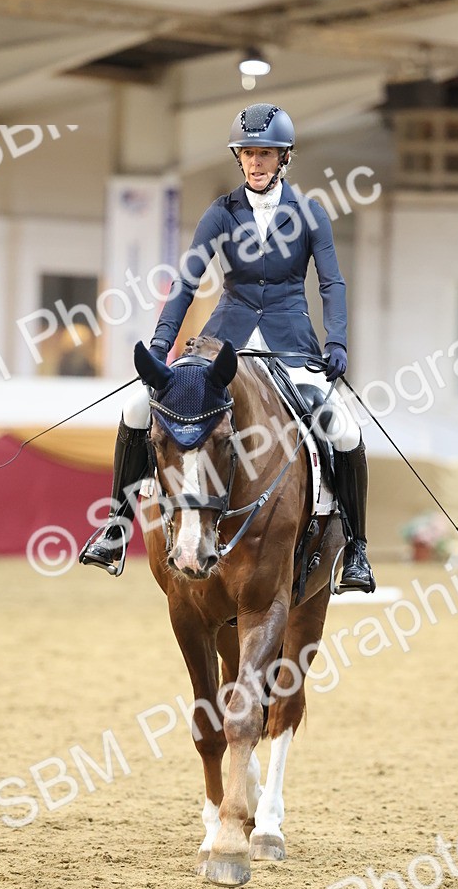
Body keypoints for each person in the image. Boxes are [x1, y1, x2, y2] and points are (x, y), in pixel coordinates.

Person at [79, 102, 375, 592]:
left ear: (283, 158)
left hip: (290, 345)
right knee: (137, 406)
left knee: (342, 428)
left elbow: (332, 284)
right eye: (248, 153)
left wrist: (337, 340)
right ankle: (115, 526)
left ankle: (357, 551)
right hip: (222, 343)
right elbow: (188, 279)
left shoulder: (310, 213)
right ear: (240, 158)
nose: (256, 162)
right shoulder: (221, 212)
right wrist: (161, 343)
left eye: (266, 154)